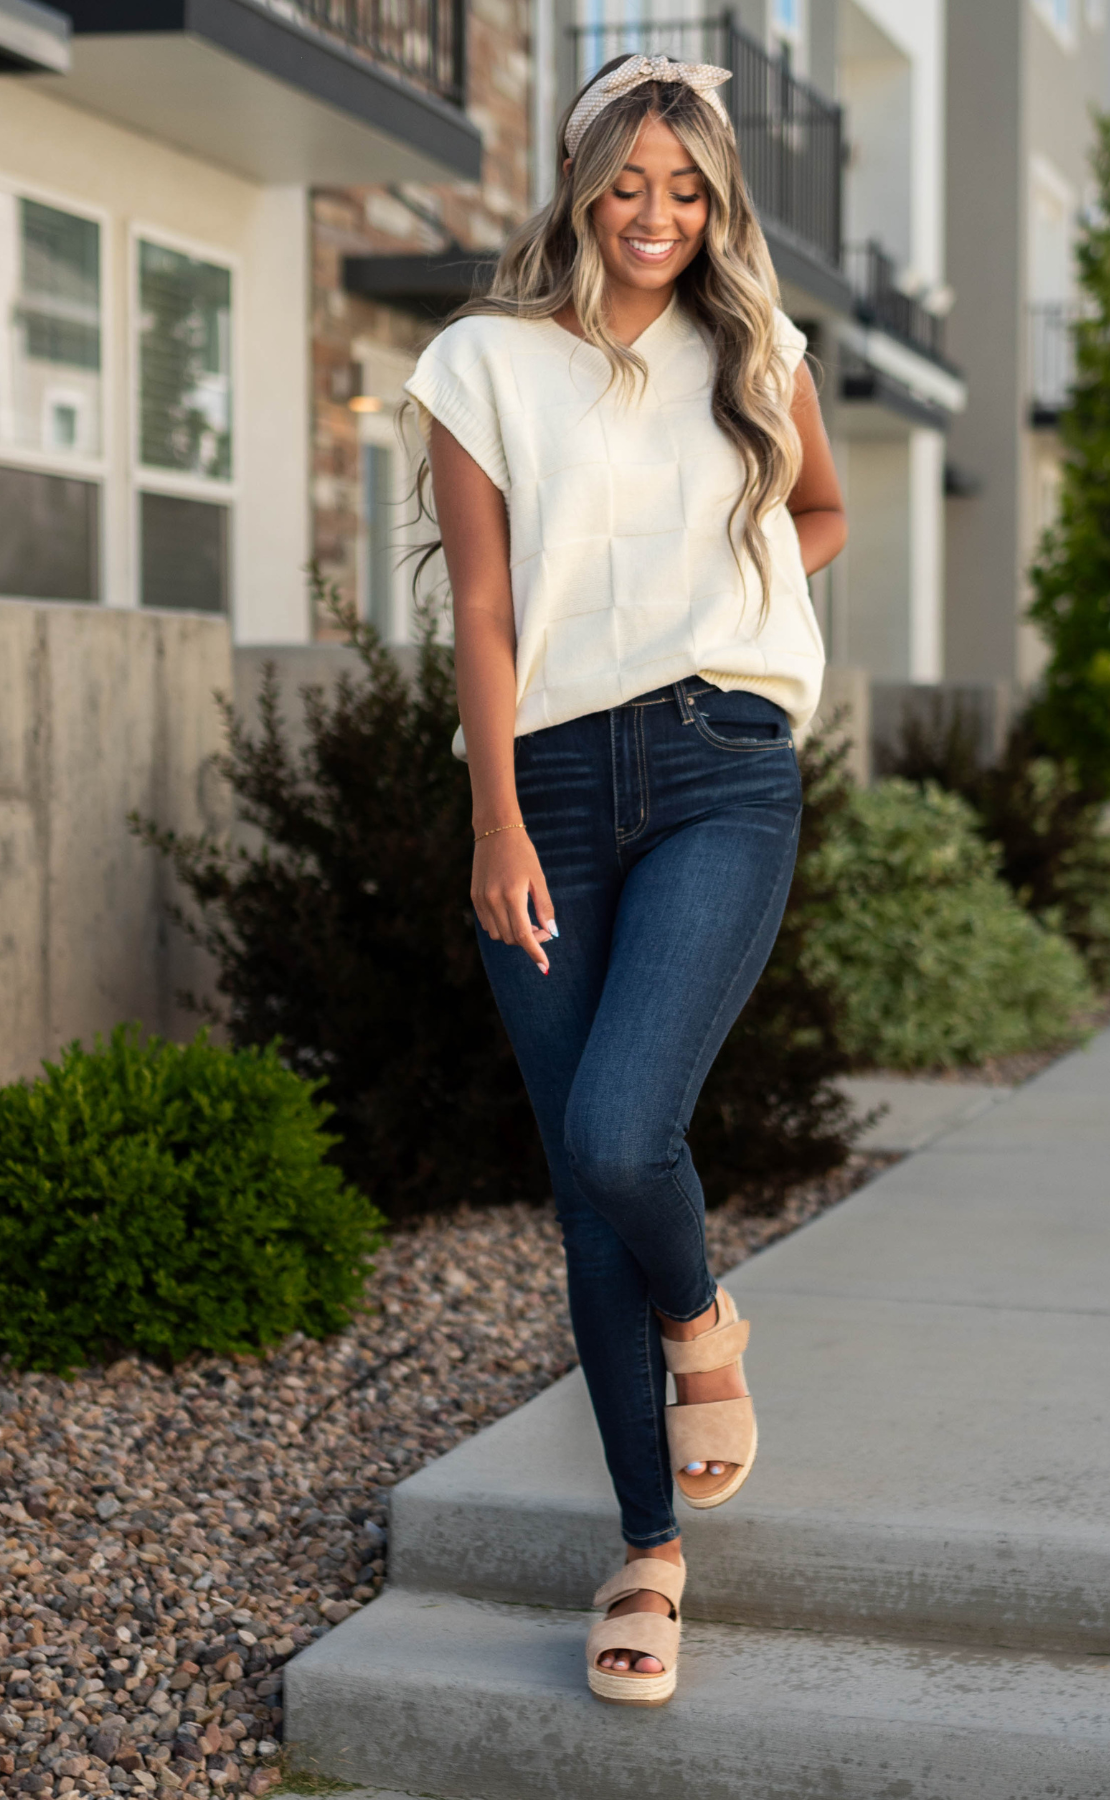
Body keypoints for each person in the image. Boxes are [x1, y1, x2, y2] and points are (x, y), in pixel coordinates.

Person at [406, 50, 847, 1708]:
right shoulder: (482, 363)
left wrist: (719, 589)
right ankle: (647, 1550)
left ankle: (701, 1325)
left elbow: (817, 509)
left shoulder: (756, 347)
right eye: (627, 184)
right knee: (585, 1188)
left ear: (714, 202)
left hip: (724, 764)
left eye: (688, 190)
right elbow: (484, 615)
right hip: (557, 790)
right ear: (580, 186)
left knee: (618, 1129)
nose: (656, 217)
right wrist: (495, 821)